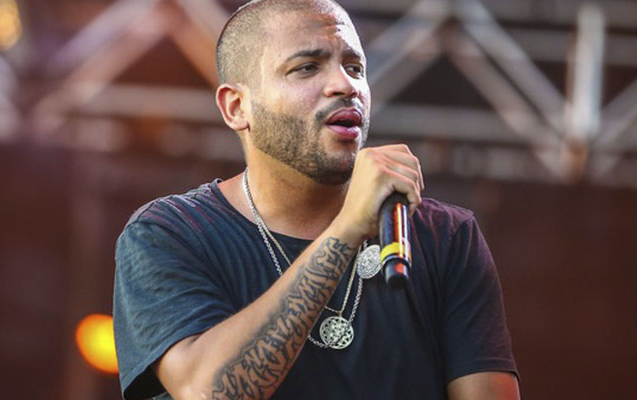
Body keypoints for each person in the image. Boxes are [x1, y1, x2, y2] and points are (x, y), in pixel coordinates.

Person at [113, 0, 519, 399]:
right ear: (237, 107)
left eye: (355, 67)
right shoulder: (168, 234)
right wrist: (346, 230)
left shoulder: (447, 237)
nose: (345, 85)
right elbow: (208, 393)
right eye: (307, 67)